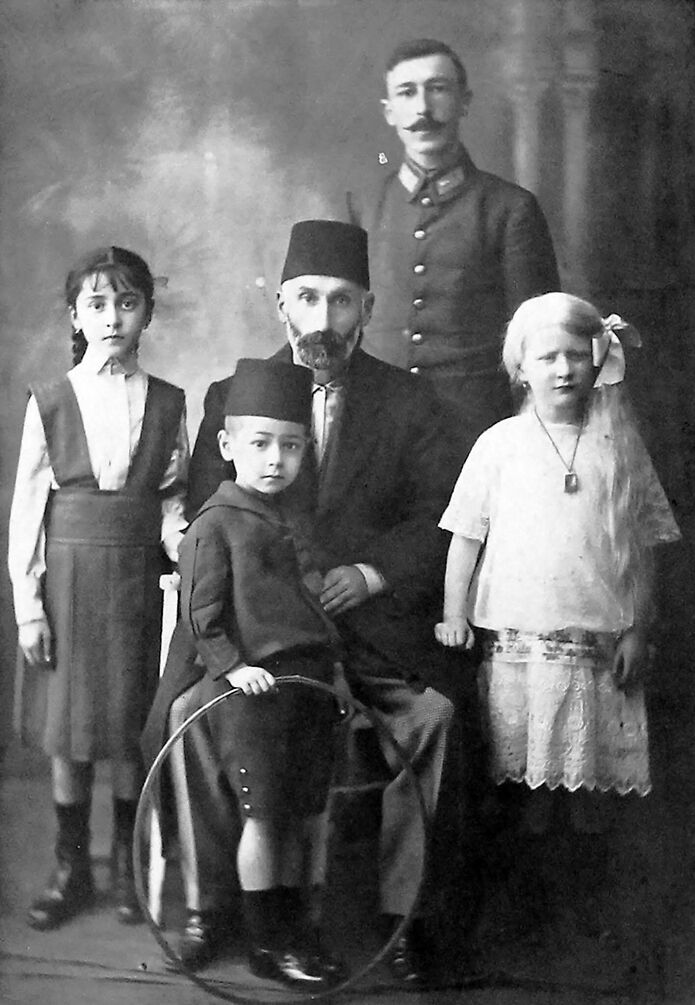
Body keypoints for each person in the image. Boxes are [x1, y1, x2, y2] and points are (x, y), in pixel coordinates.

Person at [142, 220, 459, 986]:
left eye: (341, 301)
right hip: (251, 636)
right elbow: (192, 511)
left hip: (365, 633)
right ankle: (215, 907)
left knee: (434, 720)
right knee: (191, 718)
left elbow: (442, 516)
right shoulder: (232, 396)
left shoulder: (410, 404)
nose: (322, 320)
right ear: (281, 304)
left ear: (369, 306)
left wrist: (375, 571)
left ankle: (399, 916)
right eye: (307, 298)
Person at [435, 292, 681, 937]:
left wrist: (637, 628)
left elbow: (645, 548)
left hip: (597, 647)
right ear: (521, 367)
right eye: (548, 357)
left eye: (577, 355)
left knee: (590, 793)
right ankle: (525, 912)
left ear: (599, 360)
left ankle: (583, 914)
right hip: (519, 646)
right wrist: (453, 613)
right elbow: (466, 535)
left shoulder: (620, 449)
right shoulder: (500, 444)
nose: (564, 369)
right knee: (526, 790)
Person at [7, 246, 189, 930]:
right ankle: (70, 866)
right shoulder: (51, 401)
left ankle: (128, 869)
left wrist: (176, 536)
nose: (113, 317)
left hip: (136, 583)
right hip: (68, 586)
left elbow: (171, 496)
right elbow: (28, 511)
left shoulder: (169, 402)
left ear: (147, 310)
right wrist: (29, 609)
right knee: (70, 734)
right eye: (97, 304)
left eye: (127, 302)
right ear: (76, 315)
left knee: (126, 731)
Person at [176, 357, 346, 988]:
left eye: (291, 447)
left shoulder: (293, 521)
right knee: (265, 814)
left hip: (308, 687)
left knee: (309, 813)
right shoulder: (213, 525)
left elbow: (313, 608)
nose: (276, 460)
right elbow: (202, 615)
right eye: (260, 445)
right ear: (226, 447)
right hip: (253, 693)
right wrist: (233, 668)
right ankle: (266, 941)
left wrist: (337, 676)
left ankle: (303, 929)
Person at [347, 38, 561, 453]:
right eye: (406, 93)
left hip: (474, 434)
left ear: (464, 102)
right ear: (389, 112)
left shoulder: (510, 209)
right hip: (376, 430)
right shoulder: (364, 204)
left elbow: (537, 343)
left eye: (438, 89)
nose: (422, 110)